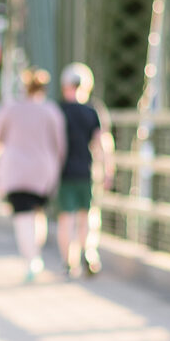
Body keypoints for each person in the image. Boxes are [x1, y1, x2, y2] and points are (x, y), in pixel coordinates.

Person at [0, 68, 66, 282]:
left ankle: (32, 260)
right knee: (38, 214)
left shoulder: (9, 109)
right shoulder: (51, 111)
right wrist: (57, 170)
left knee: (22, 218)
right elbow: (60, 146)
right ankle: (35, 253)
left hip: (15, 171)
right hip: (43, 173)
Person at [55, 62, 115, 278]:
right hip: (87, 172)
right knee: (87, 215)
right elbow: (102, 143)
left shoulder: (58, 111)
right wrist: (108, 170)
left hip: (64, 173)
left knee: (66, 218)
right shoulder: (92, 111)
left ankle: (67, 262)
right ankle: (88, 253)